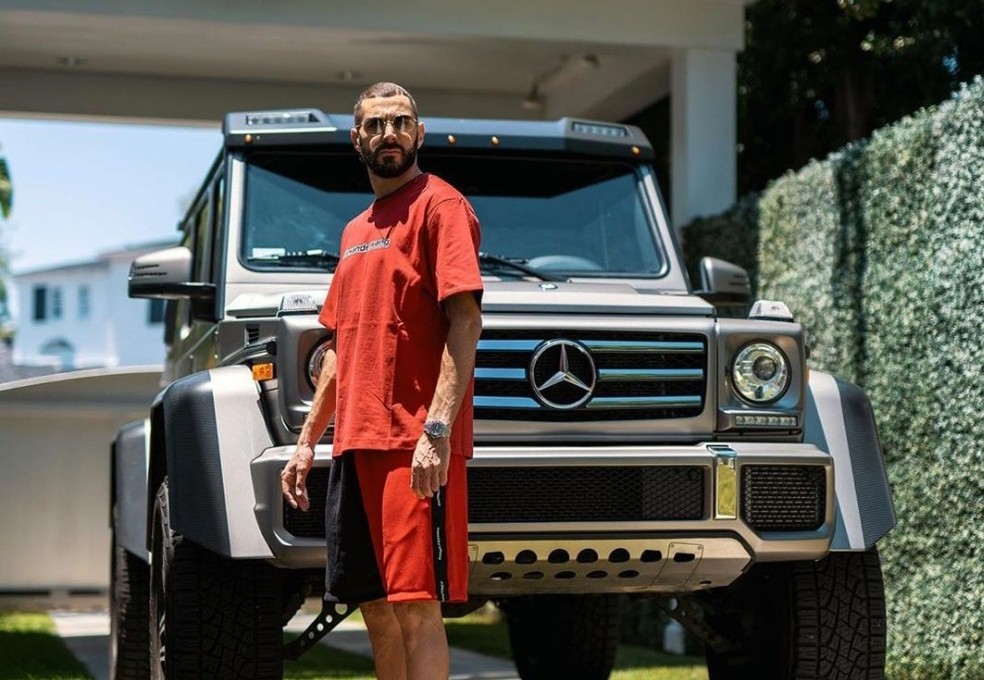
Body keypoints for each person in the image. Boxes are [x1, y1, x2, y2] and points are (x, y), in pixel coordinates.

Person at [280, 82, 483, 680]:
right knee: (373, 605)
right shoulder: (354, 231)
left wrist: (437, 430)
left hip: (413, 445)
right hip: (355, 445)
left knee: (417, 606)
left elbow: (465, 321)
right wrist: (307, 440)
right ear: (357, 139)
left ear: (418, 135)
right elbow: (341, 349)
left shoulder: (441, 207)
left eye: (401, 122)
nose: (388, 133)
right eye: (375, 124)